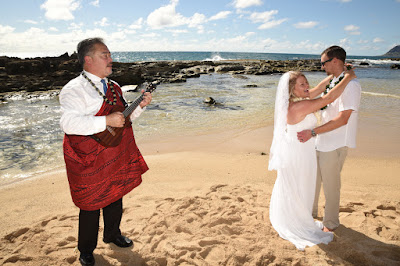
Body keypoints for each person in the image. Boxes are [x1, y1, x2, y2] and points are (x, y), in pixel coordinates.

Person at [59, 38, 152, 266]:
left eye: (109, 55)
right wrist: (105, 120)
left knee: (115, 194)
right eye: (105, 55)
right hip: (87, 158)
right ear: (88, 60)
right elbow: (68, 124)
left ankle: (112, 234)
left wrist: (139, 106)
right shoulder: (73, 89)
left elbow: (122, 120)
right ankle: (86, 250)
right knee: (90, 205)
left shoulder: (114, 87)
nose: (111, 60)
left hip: (112, 152)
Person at [268, 67, 356, 250]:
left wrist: (332, 77)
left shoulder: (293, 102)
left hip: (297, 149)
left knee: (295, 186)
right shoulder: (300, 106)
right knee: (301, 185)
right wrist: (347, 78)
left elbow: (316, 91)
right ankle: (298, 221)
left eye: (306, 81)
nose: (307, 86)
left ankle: (293, 216)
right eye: (302, 84)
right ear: (292, 90)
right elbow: (328, 98)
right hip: (299, 153)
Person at [297, 46, 362, 232]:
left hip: (336, 143)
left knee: (332, 186)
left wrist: (313, 132)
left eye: (323, 62)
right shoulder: (335, 80)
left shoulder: (351, 86)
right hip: (321, 141)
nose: (321, 66)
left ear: (335, 61)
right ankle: (311, 213)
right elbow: (315, 91)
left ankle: (331, 223)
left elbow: (343, 119)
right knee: (314, 181)